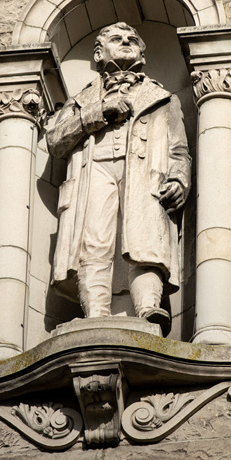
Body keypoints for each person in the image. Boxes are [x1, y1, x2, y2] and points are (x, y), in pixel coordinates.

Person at [46, 22, 191, 333]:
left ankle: (148, 307)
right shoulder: (82, 99)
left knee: (144, 240)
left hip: (144, 173)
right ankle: (95, 315)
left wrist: (179, 180)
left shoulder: (163, 98)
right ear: (99, 53)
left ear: (142, 53)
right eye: (116, 38)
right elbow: (56, 139)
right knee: (93, 243)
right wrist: (97, 112)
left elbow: (179, 151)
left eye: (132, 39)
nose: (126, 42)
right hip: (93, 172)